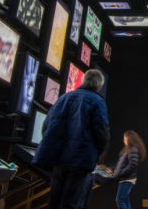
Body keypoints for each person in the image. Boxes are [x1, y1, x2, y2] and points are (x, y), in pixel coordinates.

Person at [33, 70, 110, 209]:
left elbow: (46, 126)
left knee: (55, 200)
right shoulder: (98, 101)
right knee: (72, 202)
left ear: (83, 81)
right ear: (99, 86)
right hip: (80, 159)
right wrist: (97, 152)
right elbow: (102, 132)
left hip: (58, 158)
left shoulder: (64, 97)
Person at [110, 131, 146, 209]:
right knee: (125, 200)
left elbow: (132, 165)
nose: (124, 140)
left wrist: (121, 173)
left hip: (127, 179)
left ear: (129, 139)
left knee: (120, 200)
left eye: (125, 138)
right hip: (124, 178)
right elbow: (121, 164)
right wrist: (115, 172)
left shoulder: (133, 150)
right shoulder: (128, 149)